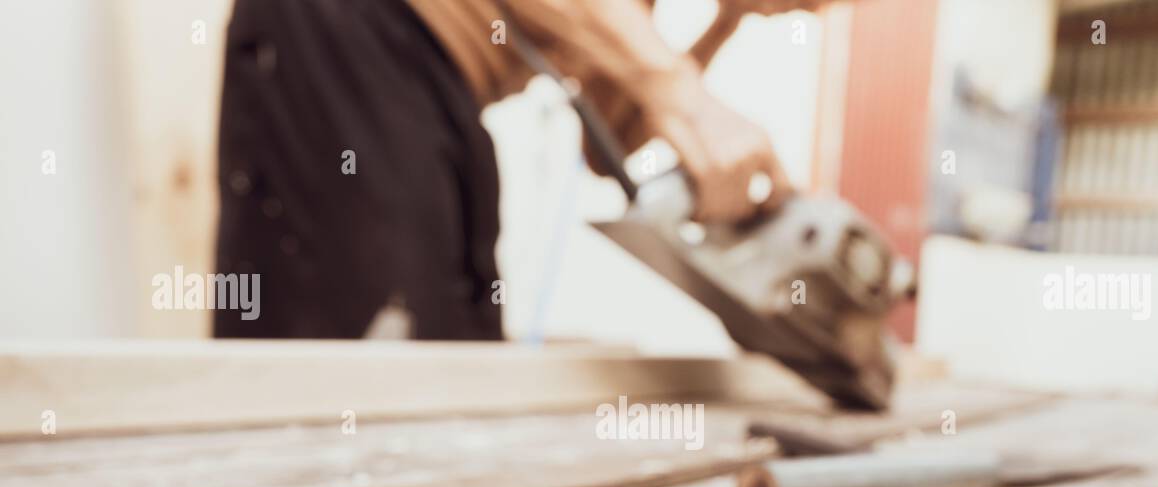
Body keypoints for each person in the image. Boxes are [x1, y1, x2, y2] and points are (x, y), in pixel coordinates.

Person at [214, 0, 826, 340]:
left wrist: (726, 21)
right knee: (368, 341)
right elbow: (659, 91)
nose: (811, 11)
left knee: (451, 348)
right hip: (345, 31)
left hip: (436, 87)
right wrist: (680, 90)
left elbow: (606, 137)